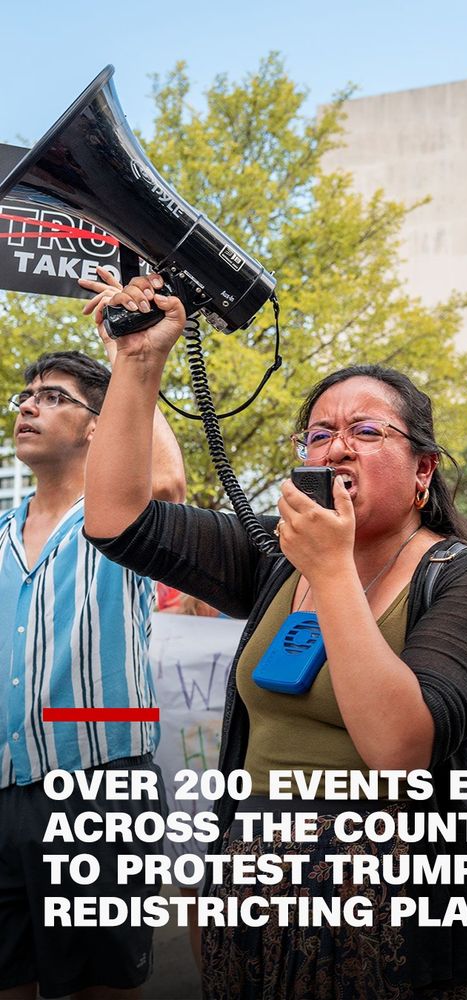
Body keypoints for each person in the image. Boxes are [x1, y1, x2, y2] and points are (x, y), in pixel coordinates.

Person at [81, 274, 467, 1000]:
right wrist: (138, 362)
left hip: (389, 923)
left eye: (365, 431)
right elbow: (119, 519)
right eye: (319, 433)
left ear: (423, 471)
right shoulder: (272, 557)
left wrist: (333, 570)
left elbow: (400, 750)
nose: (335, 448)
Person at [0, 329, 185, 997]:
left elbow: (166, 479)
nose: (28, 408)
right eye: (27, 396)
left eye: (53, 397)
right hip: (5, 790)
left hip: (99, 787)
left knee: (99, 987)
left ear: (98, 428)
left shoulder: (119, 522)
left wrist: (132, 357)